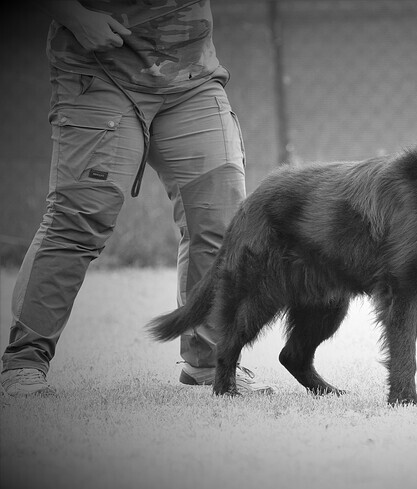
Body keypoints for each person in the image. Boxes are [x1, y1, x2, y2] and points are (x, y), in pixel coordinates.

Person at [1, 0, 272, 396]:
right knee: (77, 221)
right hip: (99, 70)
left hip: (192, 78)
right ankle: (24, 363)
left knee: (224, 225)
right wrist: (75, 16)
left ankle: (210, 362)